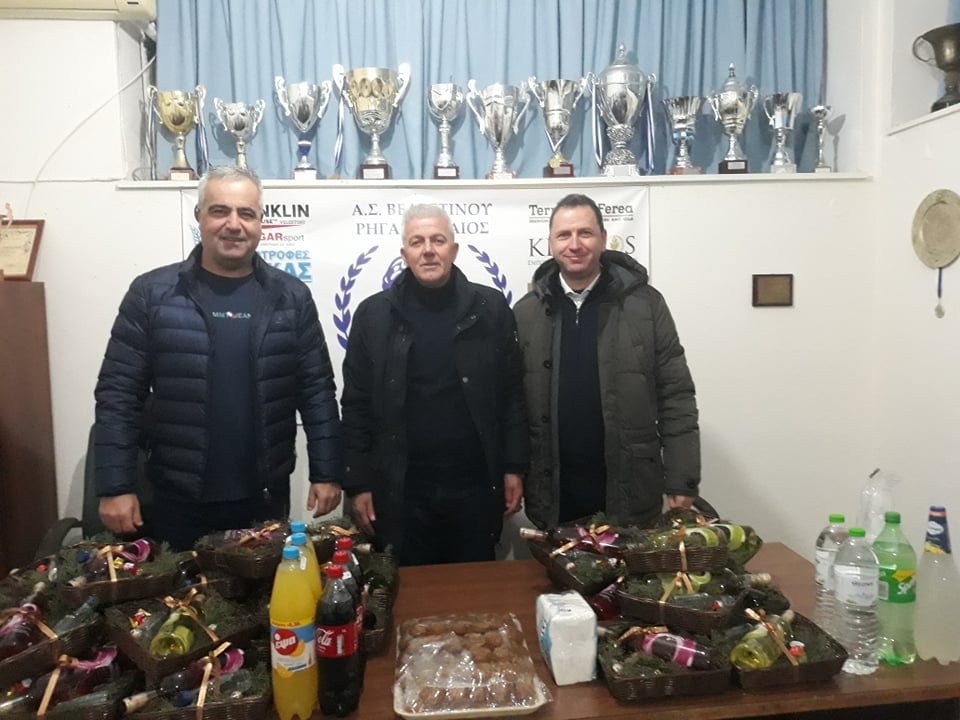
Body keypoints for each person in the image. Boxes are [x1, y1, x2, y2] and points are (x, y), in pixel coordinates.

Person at [93, 166, 341, 550]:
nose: (233, 224)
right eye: (220, 211)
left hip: (263, 498)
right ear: (199, 217)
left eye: (246, 213)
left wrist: (327, 472)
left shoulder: (290, 297)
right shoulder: (152, 294)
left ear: (260, 222)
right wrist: (115, 486)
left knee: (265, 591)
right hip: (175, 500)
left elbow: (316, 391)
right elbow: (118, 394)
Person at [340, 204, 528, 566]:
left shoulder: (490, 308)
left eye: (438, 240)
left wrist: (514, 467)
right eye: (417, 242)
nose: (428, 250)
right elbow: (356, 405)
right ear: (404, 253)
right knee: (407, 591)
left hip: (475, 488)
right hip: (401, 493)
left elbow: (512, 396)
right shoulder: (373, 315)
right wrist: (358, 484)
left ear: (454, 250)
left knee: (475, 591)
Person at [513, 193, 700, 530]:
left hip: (630, 494)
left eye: (585, 233)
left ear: (602, 238)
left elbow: (677, 395)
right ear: (550, 244)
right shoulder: (526, 312)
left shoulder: (646, 306)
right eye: (564, 235)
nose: (575, 244)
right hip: (553, 496)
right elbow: (512, 406)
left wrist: (682, 479)